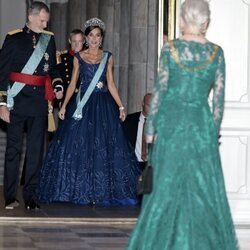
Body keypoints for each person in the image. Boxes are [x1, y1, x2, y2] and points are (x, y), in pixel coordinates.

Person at [126, 0, 239, 249]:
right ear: (206, 22)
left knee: (166, 188)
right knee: (202, 189)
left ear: (183, 20)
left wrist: (149, 131)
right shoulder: (216, 53)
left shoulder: (170, 51)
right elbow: (218, 103)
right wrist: (213, 131)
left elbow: (159, 94)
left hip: (172, 125)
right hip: (200, 126)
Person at [38, 17, 140, 205]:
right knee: (76, 146)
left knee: (104, 147)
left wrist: (121, 105)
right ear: (86, 38)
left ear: (101, 38)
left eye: (97, 36)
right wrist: (65, 105)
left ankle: (102, 192)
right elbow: (72, 85)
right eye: (91, 35)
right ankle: (73, 190)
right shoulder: (79, 57)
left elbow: (111, 84)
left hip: (103, 105)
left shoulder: (108, 57)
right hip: (82, 106)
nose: (94, 39)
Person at [0, 1, 63, 210]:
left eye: (46, 21)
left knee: (36, 152)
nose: (45, 25)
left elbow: (53, 69)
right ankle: (9, 196)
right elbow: (2, 74)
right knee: (13, 151)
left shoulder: (49, 39)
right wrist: (2, 104)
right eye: (42, 20)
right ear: (31, 17)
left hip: (38, 104)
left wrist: (58, 84)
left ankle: (31, 196)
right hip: (16, 102)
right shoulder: (13, 38)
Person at [123, 93, 152, 170]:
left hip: (151, 166)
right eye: (149, 105)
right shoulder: (129, 120)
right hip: (132, 164)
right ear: (143, 103)